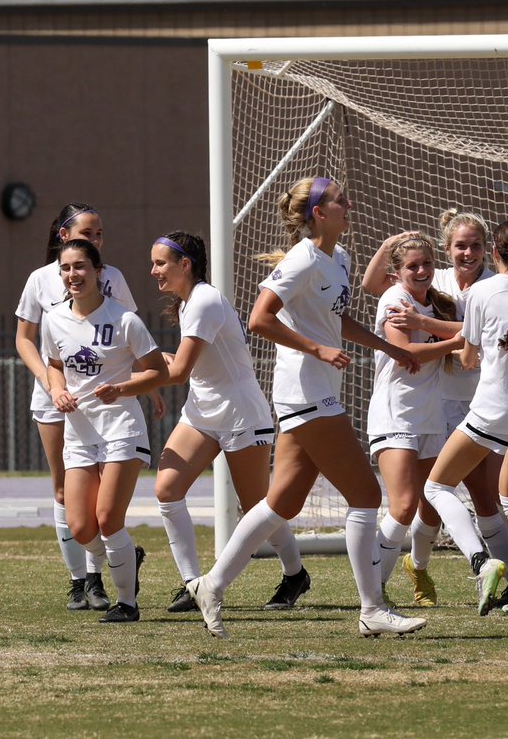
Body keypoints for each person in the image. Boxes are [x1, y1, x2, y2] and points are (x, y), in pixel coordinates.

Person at [186, 176, 426, 639]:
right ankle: (372, 609)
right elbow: (259, 318)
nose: (347, 203)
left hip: (317, 392)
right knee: (365, 496)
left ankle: (211, 584)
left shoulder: (339, 258)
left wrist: (390, 348)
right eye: (339, 200)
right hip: (305, 392)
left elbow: (335, 322)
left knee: (281, 503)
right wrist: (317, 350)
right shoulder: (301, 258)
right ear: (319, 212)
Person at [363, 209, 508, 608]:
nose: (468, 253)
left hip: (481, 402)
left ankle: (495, 569)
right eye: (460, 246)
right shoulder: (437, 282)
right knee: (431, 502)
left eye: (476, 246)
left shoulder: (487, 287)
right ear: (448, 250)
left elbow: (470, 346)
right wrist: (390, 248)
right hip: (459, 403)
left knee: (464, 495)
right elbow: (379, 289)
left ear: (491, 250)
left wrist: (425, 325)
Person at [149, 231, 311, 615]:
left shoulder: (203, 300)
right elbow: (191, 365)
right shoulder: (188, 302)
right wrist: (143, 358)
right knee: (167, 489)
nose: (153, 270)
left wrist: (125, 384)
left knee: (257, 506)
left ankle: (295, 574)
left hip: (240, 413)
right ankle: (193, 583)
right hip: (203, 412)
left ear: (184, 265)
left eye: (160, 263)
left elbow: (181, 371)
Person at [14, 202, 148, 611]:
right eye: (87, 233)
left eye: (98, 235)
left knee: (105, 513)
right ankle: (80, 579)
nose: (94, 241)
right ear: (63, 237)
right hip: (58, 396)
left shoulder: (113, 283)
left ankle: (102, 579)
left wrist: (149, 387)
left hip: (106, 404)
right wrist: (50, 383)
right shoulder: (41, 280)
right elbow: (26, 341)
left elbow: (137, 351)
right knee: (65, 493)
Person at [423, 219, 508, 616]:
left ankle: (481, 563)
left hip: (492, 409)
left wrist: (427, 345)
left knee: (436, 488)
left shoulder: (481, 292)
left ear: (494, 252)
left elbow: (467, 359)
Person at [43, 239, 169, 622]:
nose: (72, 275)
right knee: (81, 527)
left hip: (122, 429)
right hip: (80, 433)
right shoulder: (54, 319)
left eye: (80, 267)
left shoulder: (124, 319)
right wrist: (58, 390)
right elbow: (53, 364)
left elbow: (158, 372)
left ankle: (127, 604)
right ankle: (127, 556)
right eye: (66, 268)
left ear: (99, 272)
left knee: (108, 519)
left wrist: (123, 388)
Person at [365, 234, 463, 605]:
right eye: (412, 266)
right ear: (396, 273)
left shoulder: (435, 304)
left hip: (430, 414)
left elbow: (475, 331)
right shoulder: (394, 299)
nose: (421, 271)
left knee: (431, 505)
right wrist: (456, 341)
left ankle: (418, 568)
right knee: (403, 505)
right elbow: (406, 351)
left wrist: (440, 328)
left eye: (426, 264)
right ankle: (373, 587)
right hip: (395, 414)